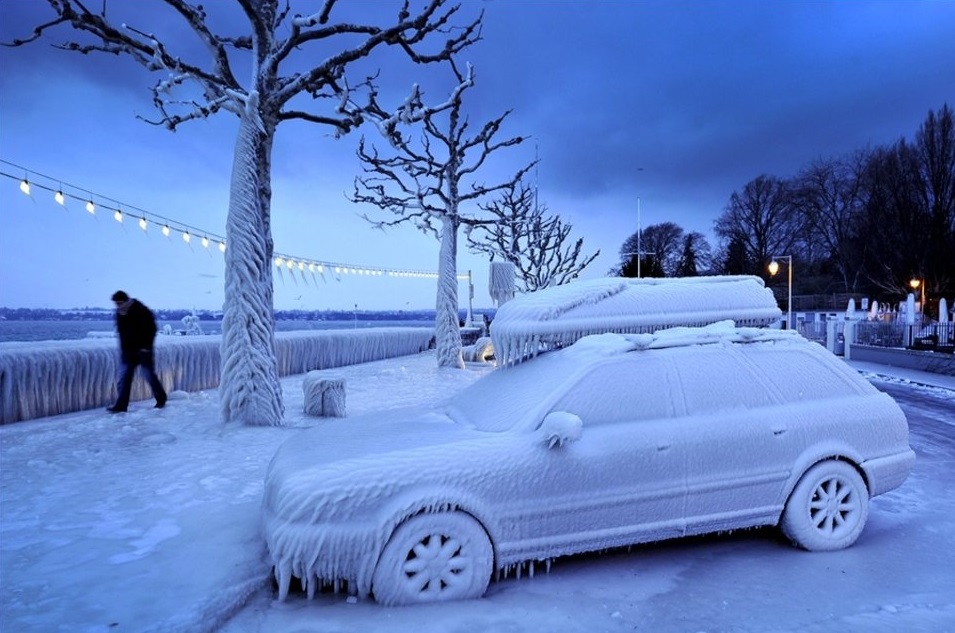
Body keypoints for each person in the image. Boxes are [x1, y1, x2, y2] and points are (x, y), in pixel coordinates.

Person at [107, 290, 167, 413]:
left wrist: (146, 347)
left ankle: (161, 398)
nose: (118, 306)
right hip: (128, 351)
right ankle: (121, 405)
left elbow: (152, 329)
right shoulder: (119, 313)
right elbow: (121, 333)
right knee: (124, 378)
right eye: (116, 304)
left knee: (149, 376)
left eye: (120, 303)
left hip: (143, 350)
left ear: (126, 301)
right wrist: (124, 350)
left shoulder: (141, 310)